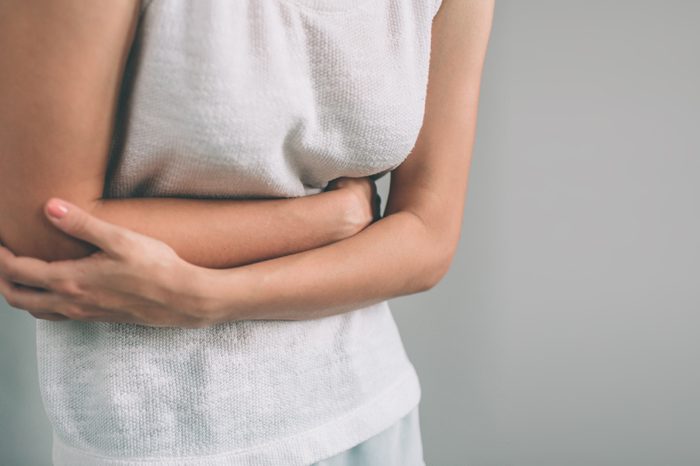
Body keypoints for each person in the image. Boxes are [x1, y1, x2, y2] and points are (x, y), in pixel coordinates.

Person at [0, 0, 494, 464]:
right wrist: (327, 218)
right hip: (164, 437)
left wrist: (215, 297)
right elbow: (48, 232)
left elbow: (428, 238)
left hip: (369, 417)